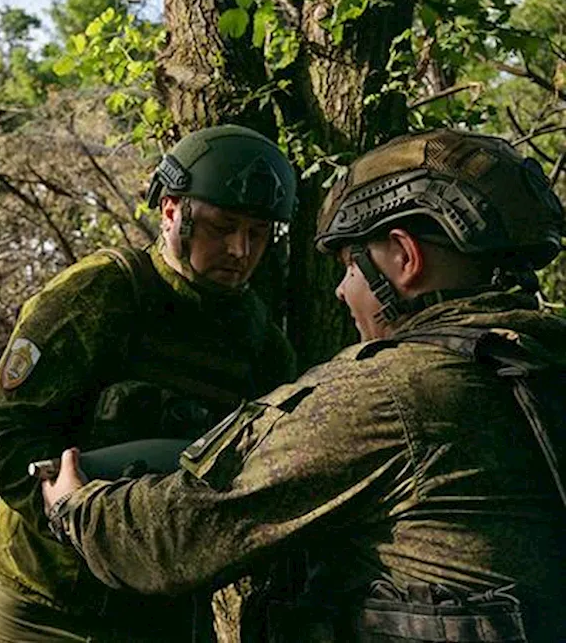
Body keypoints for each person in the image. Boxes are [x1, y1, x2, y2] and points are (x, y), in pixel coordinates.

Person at [42, 129, 566, 642]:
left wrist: (77, 505)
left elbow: (179, 537)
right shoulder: (542, 357)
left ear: (405, 258)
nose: (341, 291)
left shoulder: (393, 389)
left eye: (350, 267)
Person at [0, 124, 300, 642]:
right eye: (223, 226)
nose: (240, 249)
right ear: (171, 212)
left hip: (159, 614)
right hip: (43, 603)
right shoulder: (102, 293)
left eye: (258, 233)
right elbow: (4, 434)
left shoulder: (260, 340)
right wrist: (62, 510)